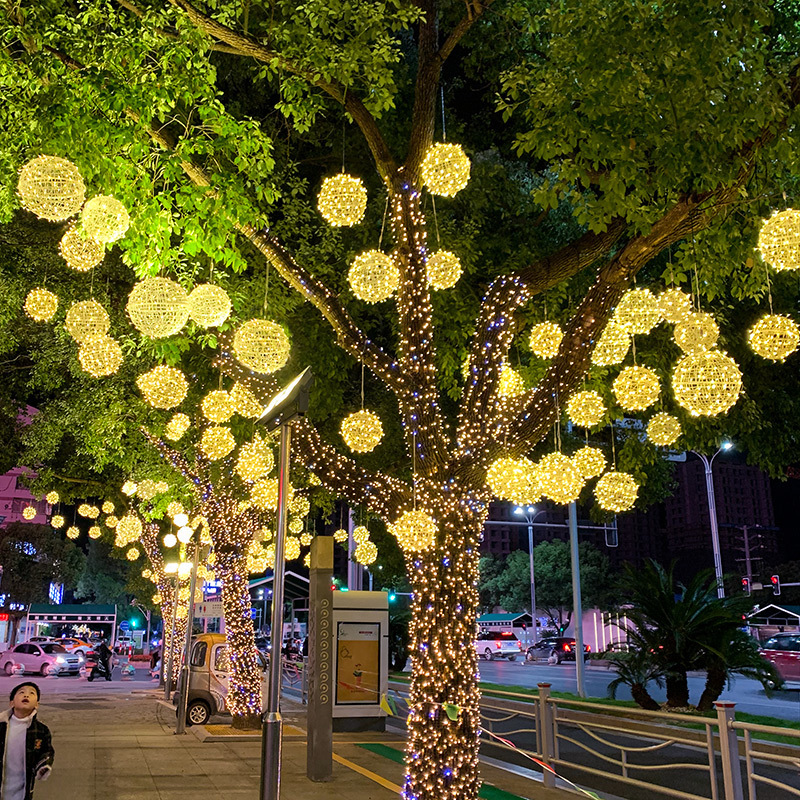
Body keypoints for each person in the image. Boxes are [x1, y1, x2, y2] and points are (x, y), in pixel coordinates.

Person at [0, 682, 54, 800]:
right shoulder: (2, 726)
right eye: (21, 692)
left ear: (37, 705)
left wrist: (44, 766)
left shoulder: (41, 730)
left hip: (22, 791)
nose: (26, 695)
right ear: (11, 703)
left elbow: (47, 751)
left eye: (32, 693)